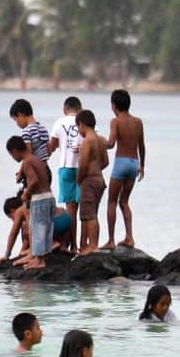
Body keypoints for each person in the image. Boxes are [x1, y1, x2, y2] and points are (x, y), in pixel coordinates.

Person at [102, 89, 146, 250]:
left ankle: (111, 240)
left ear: (114, 105)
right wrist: (142, 165)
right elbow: (142, 145)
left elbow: (111, 144)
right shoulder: (138, 122)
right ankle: (130, 238)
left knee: (112, 201)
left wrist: (97, 139)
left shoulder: (116, 121)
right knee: (124, 201)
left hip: (121, 163)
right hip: (134, 163)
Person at [6, 136, 54, 269]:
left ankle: (39, 260)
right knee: (46, 228)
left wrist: (25, 194)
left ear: (15, 150)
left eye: (11, 155)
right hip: (49, 196)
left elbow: (33, 181)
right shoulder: (36, 159)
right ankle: (41, 256)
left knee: (37, 228)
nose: (13, 158)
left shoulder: (27, 162)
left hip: (39, 198)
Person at [50, 96, 84, 253]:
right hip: (83, 169)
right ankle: (83, 245)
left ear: (65, 110)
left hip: (66, 168)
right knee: (85, 209)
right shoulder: (85, 120)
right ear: (80, 109)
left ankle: (72, 245)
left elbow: (51, 146)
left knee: (70, 210)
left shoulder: (59, 122)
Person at [76, 110, 108, 257]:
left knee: (89, 215)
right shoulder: (100, 139)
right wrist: (96, 169)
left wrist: (79, 179)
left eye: (78, 128)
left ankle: (93, 246)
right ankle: (93, 244)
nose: (79, 131)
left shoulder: (87, 141)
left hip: (89, 181)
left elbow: (82, 165)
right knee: (93, 214)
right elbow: (106, 162)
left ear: (81, 125)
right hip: (100, 180)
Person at [10, 98, 51, 165]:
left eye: (15, 120)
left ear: (20, 115)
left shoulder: (26, 132)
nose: (17, 124)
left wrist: (20, 174)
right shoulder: (43, 129)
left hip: (34, 168)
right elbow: (48, 152)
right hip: (45, 167)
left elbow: (27, 156)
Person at [0, 194, 30, 264]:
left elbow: (13, 234)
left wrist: (6, 255)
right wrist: (21, 254)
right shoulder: (28, 211)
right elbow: (26, 241)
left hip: (45, 243)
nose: (13, 220)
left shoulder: (21, 213)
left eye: (11, 217)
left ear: (12, 211)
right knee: (22, 253)